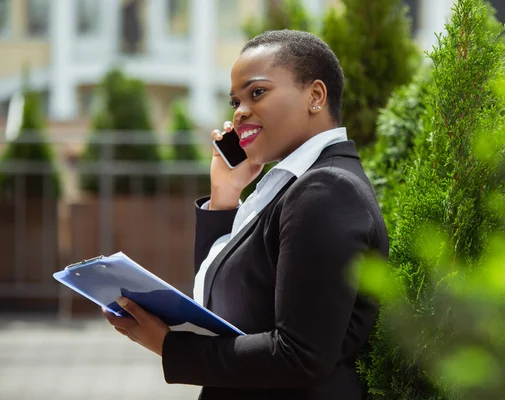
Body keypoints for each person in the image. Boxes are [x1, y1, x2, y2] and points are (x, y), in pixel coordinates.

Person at [104, 29, 389, 400]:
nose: (240, 112)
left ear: (315, 96)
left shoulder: (325, 191)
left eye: (257, 93)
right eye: (234, 101)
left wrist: (170, 347)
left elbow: (300, 356)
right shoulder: (290, 185)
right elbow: (226, 307)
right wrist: (224, 196)